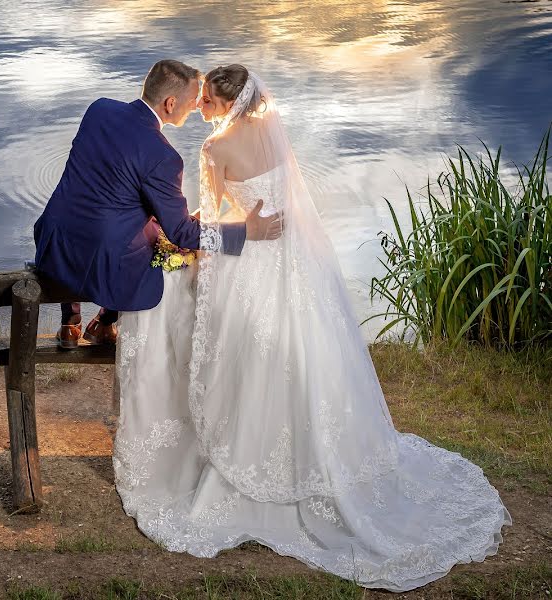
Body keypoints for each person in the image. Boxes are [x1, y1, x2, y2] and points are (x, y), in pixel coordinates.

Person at [112, 65, 512, 592]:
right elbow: (283, 205)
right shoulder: (272, 133)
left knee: (221, 333)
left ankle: (233, 451)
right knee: (307, 349)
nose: (200, 107)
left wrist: (186, 258)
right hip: (297, 262)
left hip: (248, 258)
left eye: (206, 99)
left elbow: (211, 223)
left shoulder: (214, 151)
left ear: (222, 103)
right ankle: (320, 452)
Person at [33, 60, 282, 349]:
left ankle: (70, 323)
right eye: (192, 101)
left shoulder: (99, 109)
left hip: (54, 237)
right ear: (170, 103)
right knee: (161, 243)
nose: (196, 108)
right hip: (102, 258)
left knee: (135, 220)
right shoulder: (163, 156)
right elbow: (182, 233)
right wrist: (244, 231)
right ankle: (103, 321)